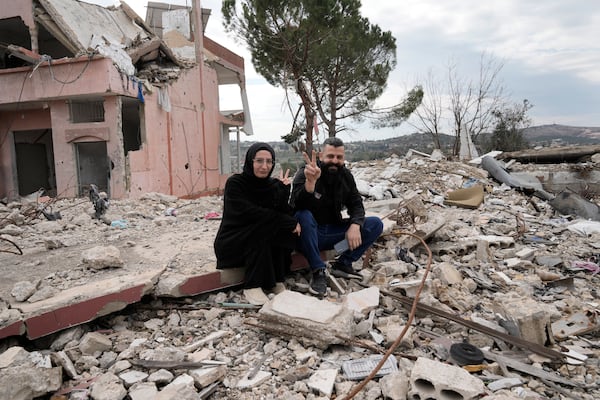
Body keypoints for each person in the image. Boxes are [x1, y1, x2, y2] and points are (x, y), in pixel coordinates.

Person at [290, 137, 383, 296]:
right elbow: (294, 206)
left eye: (339, 157)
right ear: (321, 156)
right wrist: (310, 184)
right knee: (303, 215)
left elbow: (356, 204)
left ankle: (343, 263)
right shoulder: (306, 172)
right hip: (308, 235)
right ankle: (318, 270)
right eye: (330, 156)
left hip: (333, 234)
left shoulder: (345, 176)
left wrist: (355, 225)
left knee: (375, 224)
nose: (334, 161)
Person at [214, 142, 301, 305]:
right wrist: (286, 221)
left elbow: (283, 212)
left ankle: (275, 279)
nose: (264, 166)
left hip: (259, 242)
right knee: (263, 226)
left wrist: (283, 192)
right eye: (259, 161)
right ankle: (252, 285)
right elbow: (249, 213)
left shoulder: (273, 186)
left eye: (269, 161)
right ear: (250, 162)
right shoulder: (236, 183)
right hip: (233, 243)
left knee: (282, 230)